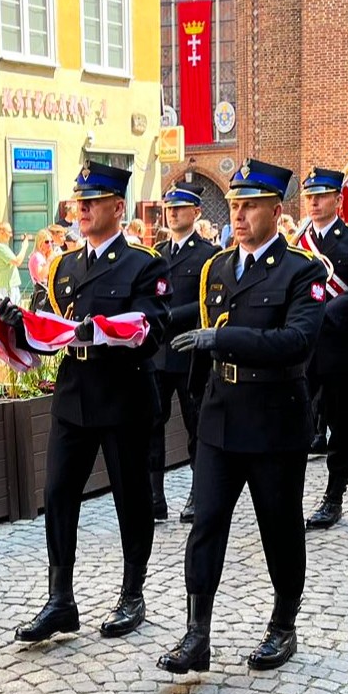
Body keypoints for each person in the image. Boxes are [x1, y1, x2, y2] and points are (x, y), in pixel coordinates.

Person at [158, 159, 327, 673]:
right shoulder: (217, 268)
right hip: (220, 415)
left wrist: (224, 338)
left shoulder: (303, 271)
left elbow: (296, 341)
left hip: (274, 418)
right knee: (206, 523)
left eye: (250, 205)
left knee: (279, 525)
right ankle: (197, 634)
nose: (239, 214)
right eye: (235, 205)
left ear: (276, 210)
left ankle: (283, 623)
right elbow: (201, 340)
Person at [0, 161, 170, 643]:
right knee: (57, 495)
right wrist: (19, 325)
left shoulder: (143, 263)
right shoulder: (64, 266)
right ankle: (60, 599)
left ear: (118, 207)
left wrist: (104, 331)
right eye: (79, 202)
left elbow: (153, 329)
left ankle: (132, 592)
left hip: (123, 394)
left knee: (131, 498)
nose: (82, 210)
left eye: (92, 202)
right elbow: (51, 330)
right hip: (74, 394)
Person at [297, 167, 348, 531]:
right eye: (310, 196)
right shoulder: (298, 242)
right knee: (294, 420)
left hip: (342, 342)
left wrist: (329, 310)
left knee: (343, 425)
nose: (314, 203)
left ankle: (334, 496)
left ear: (337, 199)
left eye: (321, 196)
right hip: (303, 347)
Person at [151, 182, 218, 523]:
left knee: (196, 425)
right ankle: (155, 496)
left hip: (191, 353)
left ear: (196, 212)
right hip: (158, 354)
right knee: (152, 424)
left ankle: (198, 493)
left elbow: (207, 301)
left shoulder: (208, 254)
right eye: (169, 208)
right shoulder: (157, 253)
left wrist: (171, 316)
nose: (173, 213)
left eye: (180, 208)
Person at [0, 221, 31, 300]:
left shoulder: (3, 246)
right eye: (9, 232)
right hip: (7, 287)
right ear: (1, 232)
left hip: (11, 286)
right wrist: (25, 247)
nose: (11, 235)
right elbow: (17, 261)